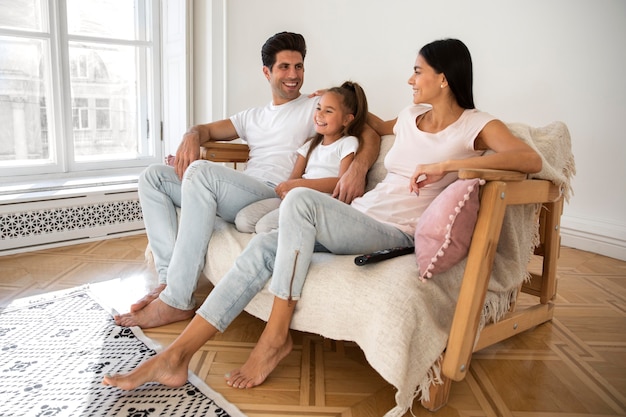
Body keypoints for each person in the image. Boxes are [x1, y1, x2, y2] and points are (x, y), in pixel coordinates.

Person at [103, 38, 541, 392]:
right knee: (262, 248)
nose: (410, 79)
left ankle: (275, 337)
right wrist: (338, 108)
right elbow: (368, 126)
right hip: (362, 216)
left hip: (394, 231)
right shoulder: (412, 116)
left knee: (299, 201)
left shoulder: (474, 125)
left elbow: (529, 159)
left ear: (443, 79)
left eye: (419, 71)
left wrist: (448, 167)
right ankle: (176, 357)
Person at [114, 32, 380, 329]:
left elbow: (366, 128)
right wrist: (191, 134)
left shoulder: (314, 106)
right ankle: (167, 281)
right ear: (267, 72)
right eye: (284, 67)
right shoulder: (251, 116)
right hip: (240, 191)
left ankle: (178, 300)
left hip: (273, 194)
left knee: (200, 173)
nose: (294, 75)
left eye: (299, 66)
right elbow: (205, 130)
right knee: (154, 177)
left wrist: (357, 169)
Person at [235, 81, 367, 234]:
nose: (320, 114)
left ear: (347, 119)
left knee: (264, 226)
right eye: (318, 108)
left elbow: (340, 182)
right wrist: (289, 189)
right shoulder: (310, 145)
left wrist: (299, 185)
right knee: (243, 221)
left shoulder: (348, 143)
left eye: (328, 111)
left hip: (318, 204)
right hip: (297, 197)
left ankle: (302, 233)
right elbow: (294, 179)